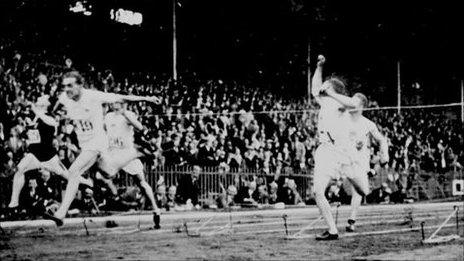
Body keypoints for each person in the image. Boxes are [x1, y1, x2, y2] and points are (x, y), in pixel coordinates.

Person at [48, 71, 160, 226]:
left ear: (80, 85)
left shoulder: (93, 96)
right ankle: (137, 152)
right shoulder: (65, 97)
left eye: (70, 85)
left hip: (97, 144)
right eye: (65, 86)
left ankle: (61, 213)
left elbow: (122, 97)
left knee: (74, 171)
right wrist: (56, 113)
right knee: (108, 172)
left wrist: (147, 99)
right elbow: (56, 107)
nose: (67, 89)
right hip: (89, 146)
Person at [7, 95, 92, 218]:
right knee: (20, 169)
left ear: (47, 104)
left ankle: (87, 184)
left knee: (67, 176)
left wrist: (36, 111)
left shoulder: (50, 116)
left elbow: (51, 123)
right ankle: (13, 204)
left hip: (49, 156)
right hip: (34, 154)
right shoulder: (33, 115)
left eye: (43, 98)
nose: (39, 99)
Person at [310, 55, 361, 240]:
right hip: (325, 150)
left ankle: (339, 225)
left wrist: (330, 93)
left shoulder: (338, 103)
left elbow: (354, 103)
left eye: (328, 85)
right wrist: (319, 67)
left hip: (336, 151)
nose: (324, 86)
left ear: (333, 89)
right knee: (317, 192)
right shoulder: (325, 102)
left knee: (356, 189)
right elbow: (315, 88)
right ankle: (332, 230)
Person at [99, 101, 161, 229]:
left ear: (124, 103)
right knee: (102, 177)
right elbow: (104, 130)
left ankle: (156, 211)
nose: (114, 103)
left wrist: (125, 115)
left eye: (118, 102)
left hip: (127, 153)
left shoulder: (128, 114)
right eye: (114, 101)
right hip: (113, 153)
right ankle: (113, 213)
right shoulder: (109, 116)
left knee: (142, 183)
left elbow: (139, 126)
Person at [341, 93, 389, 232]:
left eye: (354, 103)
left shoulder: (368, 124)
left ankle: (351, 220)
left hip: (359, 163)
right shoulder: (343, 119)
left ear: (361, 106)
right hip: (342, 159)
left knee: (358, 192)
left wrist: (384, 153)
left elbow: (381, 139)